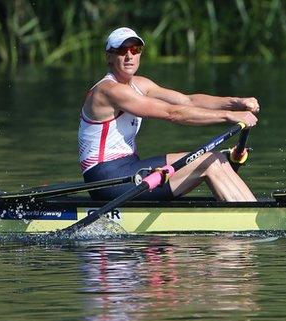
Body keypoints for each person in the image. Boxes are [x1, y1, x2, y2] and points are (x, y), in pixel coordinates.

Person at [79, 27, 258, 201]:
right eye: (121, 50)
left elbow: (187, 101)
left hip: (129, 168)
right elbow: (172, 113)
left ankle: (253, 210)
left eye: (135, 49)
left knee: (218, 158)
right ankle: (251, 222)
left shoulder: (140, 84)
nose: (129, 56)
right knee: (209, 162)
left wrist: (237, 102)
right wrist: (229, 116)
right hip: (106, 179)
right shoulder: (108, 90)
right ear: (109, 57)